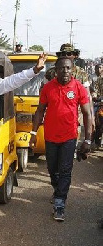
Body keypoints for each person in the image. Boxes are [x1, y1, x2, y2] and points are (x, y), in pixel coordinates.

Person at [29, 57, 92, 221]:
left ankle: (59, 204)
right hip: (50, 137)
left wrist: (88, 140)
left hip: (69, 137)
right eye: (62, 68)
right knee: (52, 169)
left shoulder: (78, 87)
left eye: (68, 68)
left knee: (65, 170)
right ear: (55, 70)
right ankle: (58, 190)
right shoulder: (48, 88)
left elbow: (87, 114)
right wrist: (33, 134)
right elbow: (40, 111)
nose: (65, 71)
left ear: (72, 70)